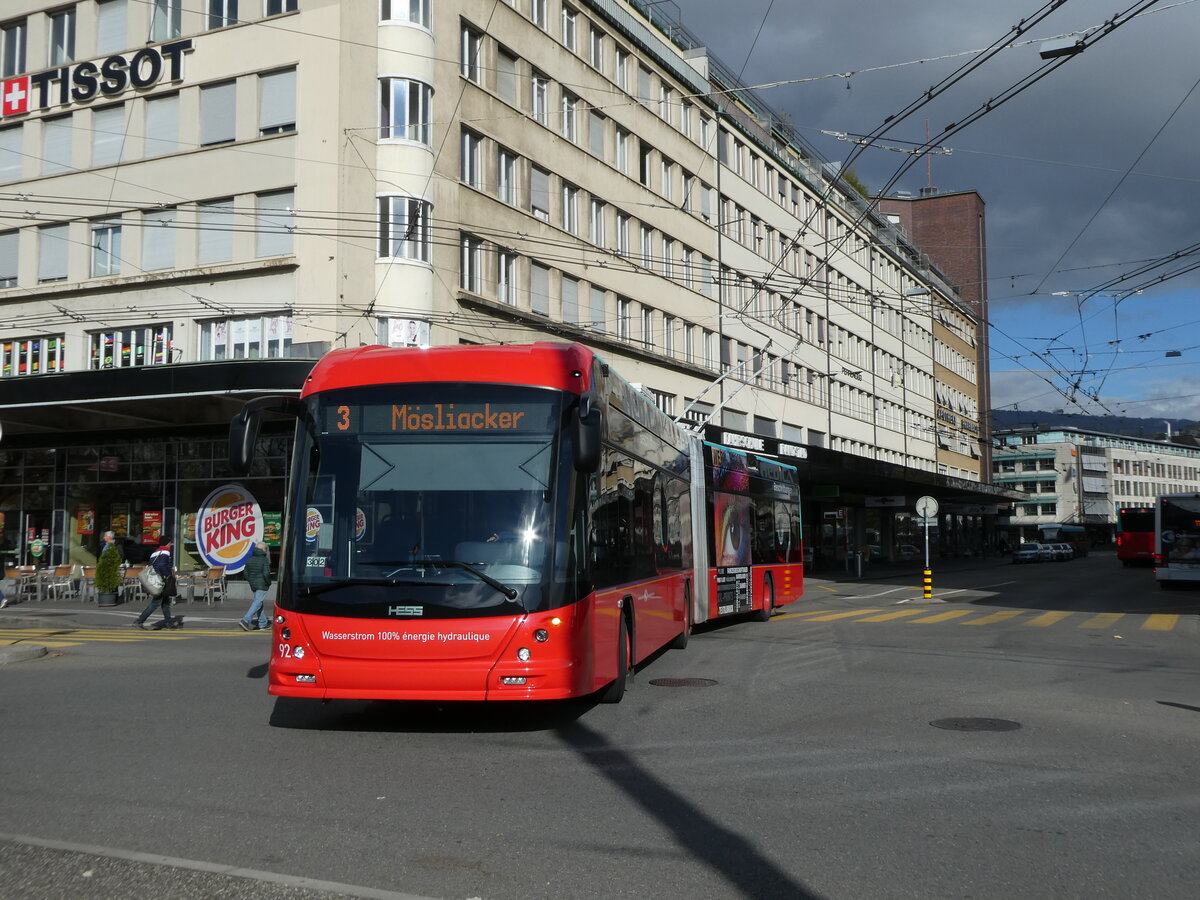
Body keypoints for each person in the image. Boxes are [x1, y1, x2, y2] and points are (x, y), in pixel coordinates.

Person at [133, 538, 180, 629]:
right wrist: (167, 575)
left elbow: (152, 565)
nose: (170, 544)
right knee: (156, 602)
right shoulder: (166, 552)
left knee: (165, 602)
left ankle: (168, 623)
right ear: (166, 543)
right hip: (162, 580)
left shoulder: (155, 552)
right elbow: (162, 565)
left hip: (156, 579)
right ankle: (139, 620)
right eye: (170, 542)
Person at [239, 541, 272, 631]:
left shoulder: (250, 559)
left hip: (253, 584)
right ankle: (246, 620)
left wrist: (251, 580)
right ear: (263, 550)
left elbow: (245, 573)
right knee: (257, 603)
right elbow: (266, 573)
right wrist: (268, 582)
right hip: (262, 584)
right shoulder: (264, 560)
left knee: (259, 603)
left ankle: (263, 623)